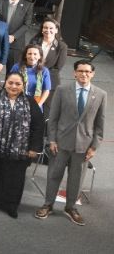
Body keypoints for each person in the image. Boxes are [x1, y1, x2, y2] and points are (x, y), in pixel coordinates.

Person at [35, 60, 107, 225]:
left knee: (76, 179)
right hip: (60, 143)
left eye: (87, 72)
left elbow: (100, 124)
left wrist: (94, 147)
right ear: (74, 73)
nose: (84, 74)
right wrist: (52, 139)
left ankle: (71, 207)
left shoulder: (101, 94)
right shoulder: (62, 90)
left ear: (93, 74)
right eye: (80, 71)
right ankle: (48, 204)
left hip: (84, 146)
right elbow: (52, 118)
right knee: (54, 175)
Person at [0, 71, 44, 218]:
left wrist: (34, 147)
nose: (13, 86)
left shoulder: (30, 102)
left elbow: (38, 125)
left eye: (18, 84)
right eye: (10, 83)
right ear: (5, 83)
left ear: (23, 85)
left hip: (18, 150)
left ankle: (10, 206)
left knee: (14, 179)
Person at [28, 18, 68, 113]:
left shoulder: (62, 46)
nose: (48, 30)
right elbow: (28, 58)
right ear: (42, 29)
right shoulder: (34, 41)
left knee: (45, 110)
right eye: (45, 27)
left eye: (51, 28)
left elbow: (58, 67)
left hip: (50, 81)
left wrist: (42, 75)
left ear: (56, 30)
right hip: (31, 79)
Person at [10, 44, 51, 110]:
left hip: (36, 105)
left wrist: (38, 105)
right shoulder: (17, 67)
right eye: (29, 53)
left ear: (40, 56)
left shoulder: (44, 71)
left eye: (35, 54)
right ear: (25, 55)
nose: (32, 56)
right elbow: (9, 85)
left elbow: (46, 90)